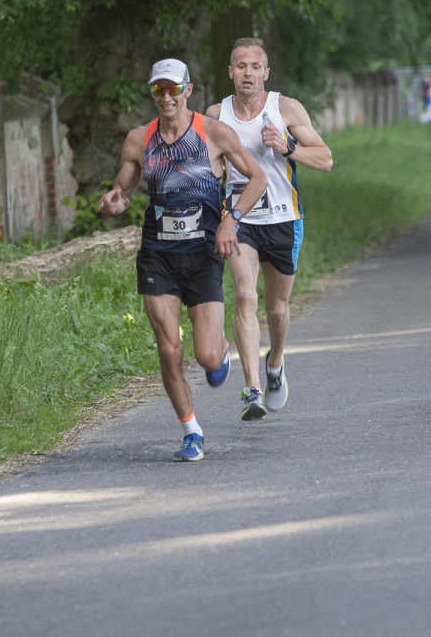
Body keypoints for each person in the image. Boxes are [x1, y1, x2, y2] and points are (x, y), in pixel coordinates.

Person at [99, 58, 267, 462]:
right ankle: (191, 430)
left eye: (174, 88)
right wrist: (113, 202)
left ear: (188, 90)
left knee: (207, 357)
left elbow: (256, 178)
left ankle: (219, 350)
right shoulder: (139, 139)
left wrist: (232, 220)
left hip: (203, 255)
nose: (167, 96)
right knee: (169, 350)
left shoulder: (214, 133)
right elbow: (123, 190)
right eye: (159, 89)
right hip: (158, 255)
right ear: (153, 93)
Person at [204, 38, 333, 421]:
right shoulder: (216, 115)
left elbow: (325, 159)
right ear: (230, 72)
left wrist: (287, 146)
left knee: (277, 309)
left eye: (255, 66)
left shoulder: (286, 108)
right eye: (240, 66)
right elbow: (208, 170)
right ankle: (252, 389)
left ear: (266, 72)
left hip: (283, 219)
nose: (248, 73)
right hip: (241, 221)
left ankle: (274, 364)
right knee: (244, 295)